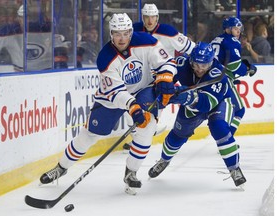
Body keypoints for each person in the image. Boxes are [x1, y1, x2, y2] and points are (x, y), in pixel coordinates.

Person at [39, 13, 177, 194]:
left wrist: (166, 77)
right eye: (117, 33)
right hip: (112, 97)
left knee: (147, 127)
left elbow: (167, 61)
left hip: (143, 89)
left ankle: (131, 173)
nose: (122, 38)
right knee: (89, 135)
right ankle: (61, 167)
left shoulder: (146, 40)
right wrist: (132, 106)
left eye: (126, 33)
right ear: (111, 34)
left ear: (131, 31)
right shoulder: (105, 57)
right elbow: (117, 92)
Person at [148, 42, 247, 187]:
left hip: (218, 102)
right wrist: (164, 83)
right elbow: (165, 72)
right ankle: (164, 160)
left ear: (211, 61)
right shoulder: (182, 63)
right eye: (196, 64)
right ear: (191, 60)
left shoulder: (219, 74)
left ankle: (234, 168)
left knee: (219, 128)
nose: (200, 69)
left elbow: (207, 104)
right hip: (191, 104)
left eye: (204, 65)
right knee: (177, 135)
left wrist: (187, 97)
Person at [122, 3, 196, 151]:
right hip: (141, 77)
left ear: (157, 17)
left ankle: (143, 137)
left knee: (154, 107)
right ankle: (142, 135)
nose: (150, 21)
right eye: (146, 17)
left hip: (164, 78)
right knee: (132, 106)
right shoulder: (134, 31)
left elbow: (191, 47)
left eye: (153, 17)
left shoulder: (168, 32)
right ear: (142, 17)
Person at [210, 17, 257, 136]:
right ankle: (227, 139)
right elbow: (234, 66)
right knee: (239, 110)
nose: (238, 32)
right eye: (235, 29)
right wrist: (247, 69)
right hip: (222, 79)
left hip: (208, 78)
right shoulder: (232, 41)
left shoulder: (216, 39)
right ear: (227, 29)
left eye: (239, 29)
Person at [0, 5, 70, 72]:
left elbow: (61, 43)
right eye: (22, 17)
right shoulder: (7, 32)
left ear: (31, 18)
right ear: (18, 18)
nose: (25, 20)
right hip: (21, 74)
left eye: (27, 17)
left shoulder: (43, 29)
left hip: (45, 72)